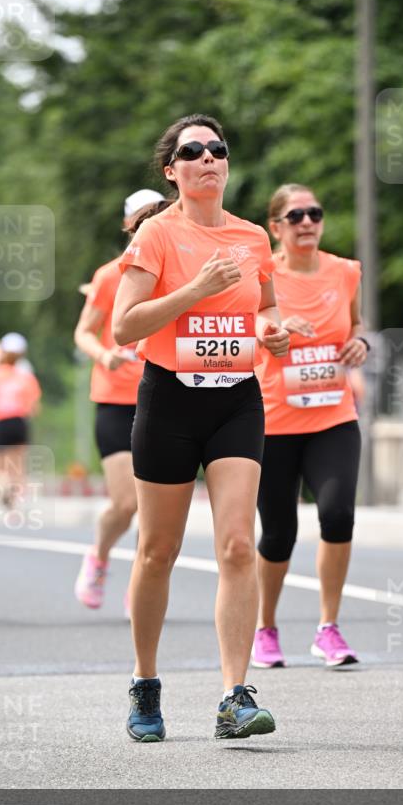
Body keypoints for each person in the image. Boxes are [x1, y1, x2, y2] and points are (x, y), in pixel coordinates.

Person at [112, 114, 289, 742]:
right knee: (158, 550)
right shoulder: (158, 235)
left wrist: (273, 332)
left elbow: (266, 307)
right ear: (172, 170)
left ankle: (234, 696)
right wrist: (194, 289)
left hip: (237, 398)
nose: (208, 158)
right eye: (193, 151)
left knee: (239, 544)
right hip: (169, 401)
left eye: (218, 149)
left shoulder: (253, 239)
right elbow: (124, 326)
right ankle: (145, 681)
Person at [252, 185, 367, 669]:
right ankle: (265, 627)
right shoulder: (264, 274)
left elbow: (357, 325)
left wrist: (361, 344)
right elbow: (249, 323)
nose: (307, 222)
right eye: (295, 215)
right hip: (275, 420)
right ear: (276, 226)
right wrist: (273, 331)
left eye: (314, 213)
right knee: (278, 534)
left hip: (333, 417)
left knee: (338, 514)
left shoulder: (345, 272)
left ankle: (328, 628)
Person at [73, 190, 164, 612]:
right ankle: (99, 555)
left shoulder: (175, 267)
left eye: (156, 215)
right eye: (141, 217)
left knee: (154, 509)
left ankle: (139, 585)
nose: (149, 222)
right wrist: (104, 354)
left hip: (162, 396)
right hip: (114, 400)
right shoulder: (111, 275)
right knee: (126, 502)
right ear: (129, 224)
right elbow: (84, 332)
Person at [0, 332, 41, 507]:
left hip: (0, 421)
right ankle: (13, 497)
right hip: (20, 422)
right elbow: (34, 407)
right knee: (17, 463)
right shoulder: (26, 376)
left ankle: (3, 486)